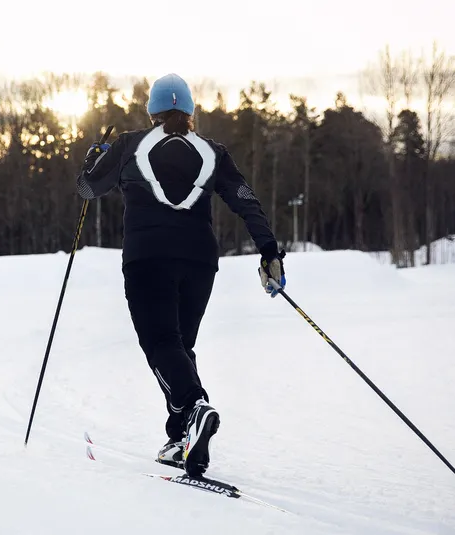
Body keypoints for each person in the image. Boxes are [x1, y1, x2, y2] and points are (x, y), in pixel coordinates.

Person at [75, 73, 286, 478]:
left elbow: (87, 189)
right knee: (179, 349)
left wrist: (92, 158)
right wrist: (268, 250)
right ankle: (180, 439)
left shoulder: (128, 145)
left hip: (147, 258)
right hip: (199, 262)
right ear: (190, 112)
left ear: (151, 112)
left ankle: (194, 406)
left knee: (160, 345)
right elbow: (244, 198)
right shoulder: (213, 152)